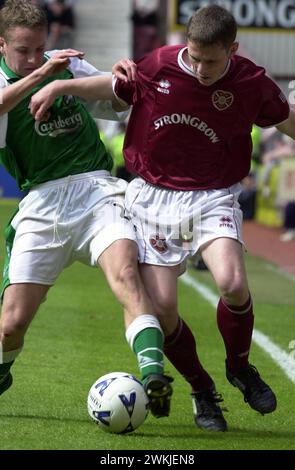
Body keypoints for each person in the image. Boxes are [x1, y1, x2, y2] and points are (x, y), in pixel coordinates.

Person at [28, 5, 295, 432]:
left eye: (212, 60)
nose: (202, 68)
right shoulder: (158, 64)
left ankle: (240, 368)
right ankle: (202, 389)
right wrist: (63, 89)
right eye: (195, 56)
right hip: (151, 197)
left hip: (212, 195)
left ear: (233, 49)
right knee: (164, 309)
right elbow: (115, 90)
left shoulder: (250, 82)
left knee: (232, 282)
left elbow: (287, 122)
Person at [0, 0, 173, 419]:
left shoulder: (66, 66)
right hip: (42, 202)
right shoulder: (27, 75)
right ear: (1, 44)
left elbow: (117, 99)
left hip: (97, 191)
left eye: (39, 49)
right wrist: (45, 75)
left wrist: (121, 75)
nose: (31, 58)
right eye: (22, 50)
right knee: (11, 324)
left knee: (127, 274)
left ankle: (153, 373)